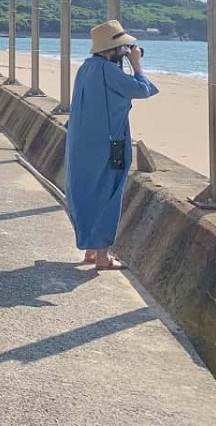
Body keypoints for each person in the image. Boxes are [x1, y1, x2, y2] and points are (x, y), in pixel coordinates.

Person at [64, 20, 159, 270]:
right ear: (115, 48)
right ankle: (103, 257)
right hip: (110, 145)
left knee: (85, 193)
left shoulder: (86, 67)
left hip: (81, 144)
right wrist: (136, 64)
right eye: (124, 47)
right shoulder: (108, 71)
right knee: (109, 193)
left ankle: (90, 249)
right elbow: (143, 90)